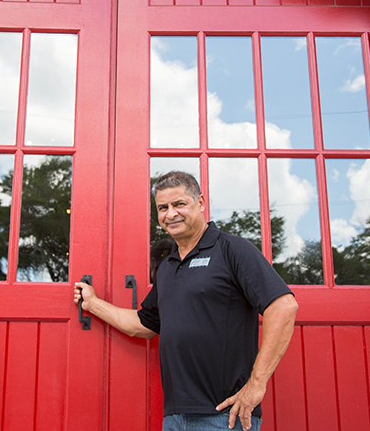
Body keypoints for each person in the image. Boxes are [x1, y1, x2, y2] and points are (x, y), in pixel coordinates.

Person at [74, 171, 298, 431]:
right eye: (163, 208)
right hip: (175, 418)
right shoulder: (168, 267)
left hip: (224, 416)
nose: (170, 214)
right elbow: (144, 325)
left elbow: (283, 306)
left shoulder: (232, 249)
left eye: (179, 204)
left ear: (200, 203)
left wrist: (256, 385)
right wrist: (93, 304)